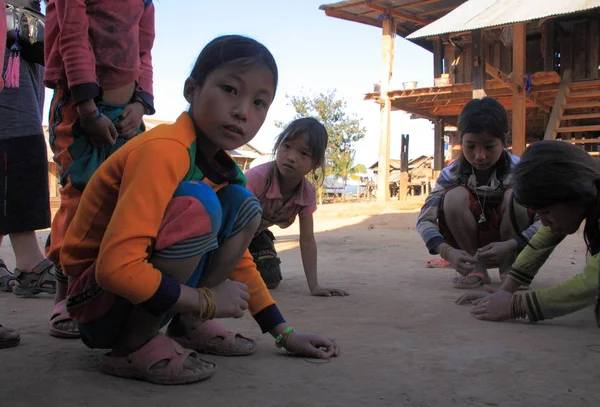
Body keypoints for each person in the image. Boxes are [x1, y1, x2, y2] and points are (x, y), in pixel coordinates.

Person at [59, 35, 340, 384]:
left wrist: (284, 334)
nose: (242, 111)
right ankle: (133, 346)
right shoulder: (164, 151)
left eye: (259, 102)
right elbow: (116, 269)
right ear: (191, 89)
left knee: (243, 206)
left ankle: (188, 326)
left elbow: (240, 263)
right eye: (229, 89)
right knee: (199, 205)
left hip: (144, 295)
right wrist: (205, 300)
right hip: (95, 303)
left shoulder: (229, 172)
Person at [42, 0, 156, 338]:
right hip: (79, 109)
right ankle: (64, 296)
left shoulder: (145, 2)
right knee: (78, 197)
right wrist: (88, 108)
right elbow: (73, 36)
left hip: (127, 116)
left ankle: (102, 291)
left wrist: (141, 103)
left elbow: (144, 52)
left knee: (125, 201)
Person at [457, 140, 600, 325]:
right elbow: (543, 240)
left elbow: (592, 282)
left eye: (546, 212)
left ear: (573, 195)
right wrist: (505, 291)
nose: (545, 222)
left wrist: (517, 305)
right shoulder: (582, 195)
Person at [416, 97, 539, 289]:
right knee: (453, 197)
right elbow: (424, 220)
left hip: (515, 246)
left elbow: (546, 223)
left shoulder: (521, 171)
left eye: (489, 146)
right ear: (461, 140)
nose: (480, 156)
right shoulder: (451, 174)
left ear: (503, 141)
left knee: (516, 196)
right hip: (470, 249)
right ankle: (476, 268)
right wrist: (447, 252)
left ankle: (511, 269)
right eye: (470, 146)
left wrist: (513, 244)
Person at [245, 117, 349, 297]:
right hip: (224, 233)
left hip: (255, 234)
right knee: (226, 276)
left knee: (270, 280)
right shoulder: (256, 179)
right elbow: (230, 224)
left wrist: (314, 286)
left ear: (315, 164)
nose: (291, 157)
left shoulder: (306, 193)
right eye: (286, 146)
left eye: (303, 153)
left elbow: (307, 240)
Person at [1, 0, 53, 348]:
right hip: (12, 122)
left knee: (23, 168)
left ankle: (29, 263)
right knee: (19, 163)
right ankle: (31, 265)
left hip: (23, 115)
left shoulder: (31, 19)